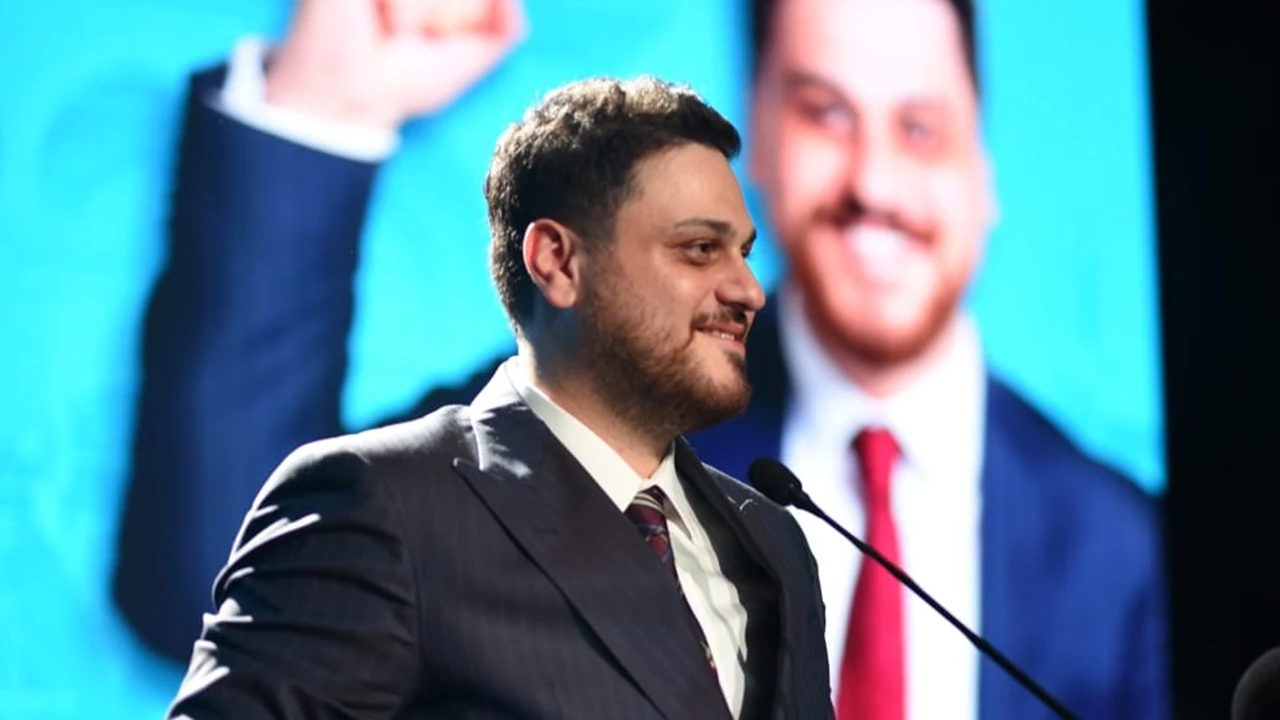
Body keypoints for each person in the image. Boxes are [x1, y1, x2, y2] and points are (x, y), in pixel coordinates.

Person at [118, 0, 1168, 718]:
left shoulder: (1131, 556)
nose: (874, 181)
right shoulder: (581, 401)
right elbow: (220, 572)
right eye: (825, 114)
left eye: (921, 128)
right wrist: (326, 104)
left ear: (984, 169)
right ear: (757, 136)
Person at [164, 73, 834, 719]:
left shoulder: (773, 538)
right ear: (557, 261)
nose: (749, 290)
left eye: (745, 253)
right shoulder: (385, 506)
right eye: (699, 248)